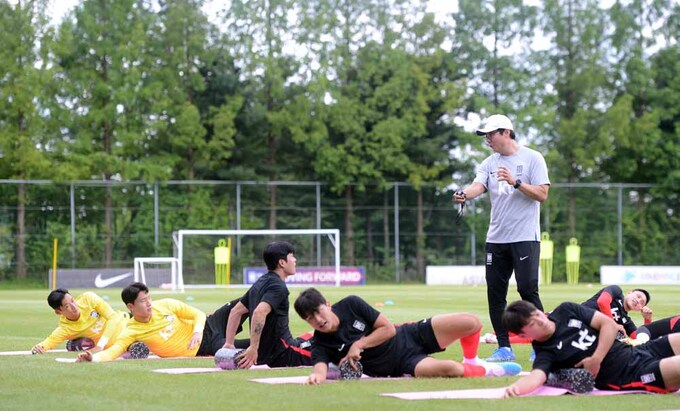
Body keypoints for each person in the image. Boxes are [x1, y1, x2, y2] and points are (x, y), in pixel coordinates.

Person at [453, 114, 550, 362]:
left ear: (506, 132)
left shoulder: (533, 158)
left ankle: (543, 345)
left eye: (490, 134)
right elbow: (479, 186)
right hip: (496, 238)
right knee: (495, 293)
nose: (487, 140)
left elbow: (542, 194)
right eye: (485, 135)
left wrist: (516, 182)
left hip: (525, 237)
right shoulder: (488, 163)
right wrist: (464, 193)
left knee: (528, 289)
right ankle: (504, 348)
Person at [293, 287, 522, 385]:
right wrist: (317, 377)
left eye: (318, 312)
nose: (318, 320)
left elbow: (388, 328)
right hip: (404, 363)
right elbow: (320, 367)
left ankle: (472, 359)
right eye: (310, 319)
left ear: (327, 304)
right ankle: (492, 370)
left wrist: (358, 345)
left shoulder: (351, 304)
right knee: (450, 370)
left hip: (409, 335)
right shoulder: (320, 343)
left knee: (471, 322)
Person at [501, 300, 680, 397]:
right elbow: (537, 377)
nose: (541, 320)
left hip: (638, 350)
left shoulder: (566, 310)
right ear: (524, 335)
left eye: (537, 314)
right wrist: (515, 388)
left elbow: (608, 325)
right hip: (632, 373)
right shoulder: (546, 351)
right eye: (533, 323)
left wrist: (596, 358)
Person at [75, 282, 248, 362]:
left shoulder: (165, 304)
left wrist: (197, 331)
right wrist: (93, 359)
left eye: (149, 298)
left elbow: (197, 314)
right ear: (131, 306)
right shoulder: (131, 330)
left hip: (210, 324)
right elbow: (114, 351)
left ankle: (276, 321)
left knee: (248, 300)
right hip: (205, 346)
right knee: (250, 347)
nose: (149, 303)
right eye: (143, 301)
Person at [223, 241, 313, 369]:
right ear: (282, 263)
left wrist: (229, 344)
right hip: (284, 353)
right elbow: (259, 312)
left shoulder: (260, 282)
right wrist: (253, 348)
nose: (295, 260)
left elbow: (235, 311)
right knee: (327, 351)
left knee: (315, 334)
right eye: (292, 256)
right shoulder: (278, 286)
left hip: (272, 352)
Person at [32, 288, 128, 354]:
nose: (74, 306)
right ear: (58, 312)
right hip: (119, 346)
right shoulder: (65, 328)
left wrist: (100, 346)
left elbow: (113, 318)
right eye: (67, 306)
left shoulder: (88, 298)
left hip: (130, 323)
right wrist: (38, 348)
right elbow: (48, 342)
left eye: (72, 300)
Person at [582, 285, 652, 339]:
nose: (638, 300)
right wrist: (614, 326)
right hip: (579, 318)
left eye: (641, 303)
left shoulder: (627, 322)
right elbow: (602, 302)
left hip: (586, 334)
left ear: (639, 309)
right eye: (638, 296)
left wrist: (647, 320)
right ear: (630, 292)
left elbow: (640, 339)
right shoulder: (616, 292)